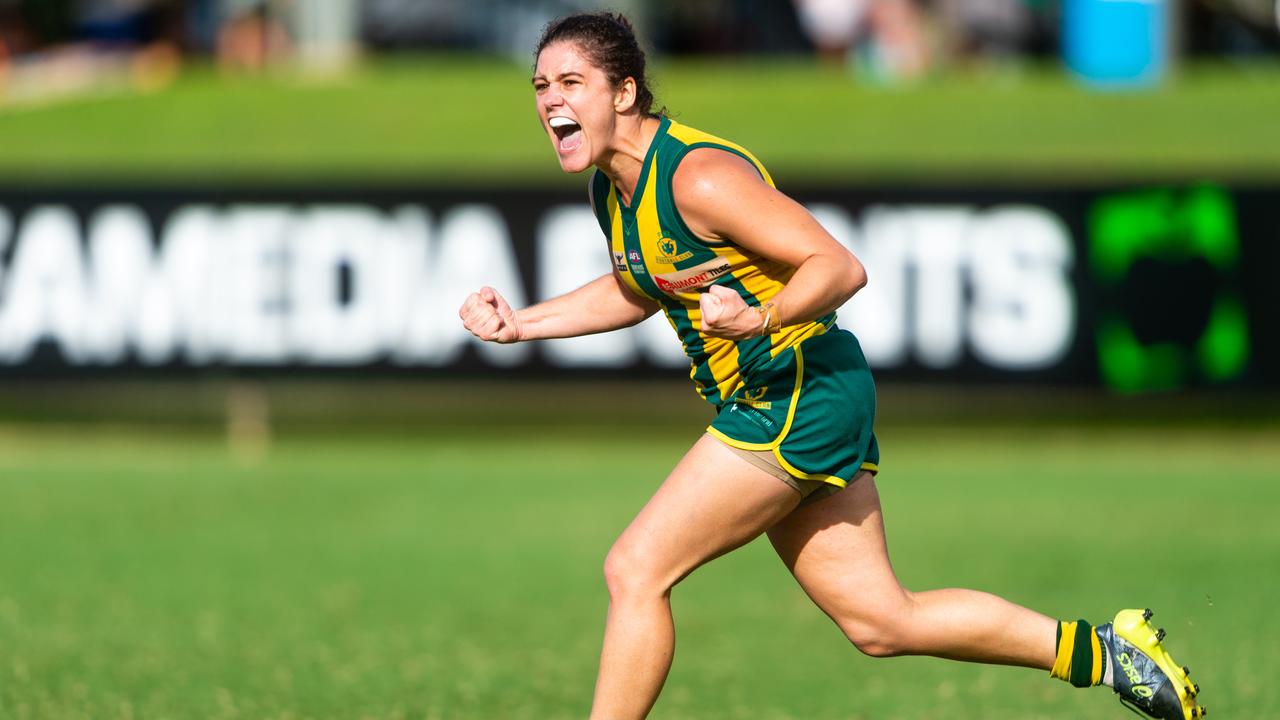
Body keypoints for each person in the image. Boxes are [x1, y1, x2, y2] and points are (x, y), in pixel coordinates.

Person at [458, 12, 1204, 720]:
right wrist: (523, 324)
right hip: (797, 396)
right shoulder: (613, 188)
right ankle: (1112, 656)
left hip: (796, 392)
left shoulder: (697, 178)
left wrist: (761, 317)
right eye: (540, 87)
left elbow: (839, 266)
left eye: (570, 83)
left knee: (635, 569)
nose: (550, 101)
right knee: (881, 620)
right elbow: (639, 285)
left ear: (624, 92)